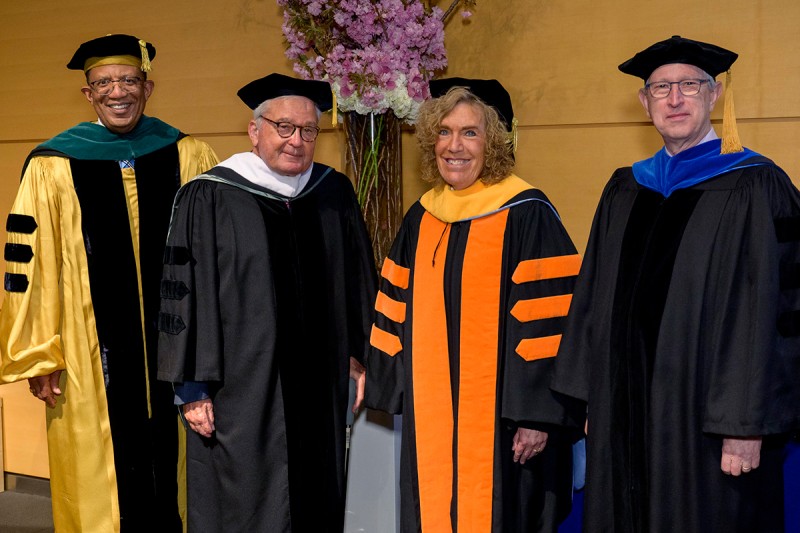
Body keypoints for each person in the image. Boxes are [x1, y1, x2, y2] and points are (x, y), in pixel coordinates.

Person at [551, 35, 800, 532]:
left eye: (689, 85)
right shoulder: (625, 187)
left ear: (715, 95)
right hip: (622, 414)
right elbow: (592, 303)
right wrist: (586, 404)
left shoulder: (755, 185)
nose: (674, 99)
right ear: (644, 103)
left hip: (709, 425)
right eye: (661, 87)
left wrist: (745, 425)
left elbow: (774, 312)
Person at [0, 34, 218, 532]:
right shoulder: (53, 164)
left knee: (176, 472)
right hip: (87, 351)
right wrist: (38, 353)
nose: (116, 91)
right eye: (103, 83)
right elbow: (26, 264)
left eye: (127, 80)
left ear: (148, 86)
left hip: (175, 348)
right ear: (88, 94)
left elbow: (217, 256)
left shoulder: (189, 155)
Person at [157, 73, 377, 532]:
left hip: (319, 388)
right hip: (241, 392)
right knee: (246, 506)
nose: (297, 141)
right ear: (255, 131)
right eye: (284, 127)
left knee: (320, 498)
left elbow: (358, 281)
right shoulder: (210, 195)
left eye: (309, 130)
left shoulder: (333, 194)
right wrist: (193, 389)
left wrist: (357, 357)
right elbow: (184, 294)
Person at [365, 78, 583, 532]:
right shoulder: (422, 215)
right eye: (444, 131)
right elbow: (393, 308)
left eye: (470, 132)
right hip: (433, 423)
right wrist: (384, 378)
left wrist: (536, 416)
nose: (454, 146)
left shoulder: (527, 213)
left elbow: (552, 324)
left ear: (495, 142)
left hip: (505, 428)